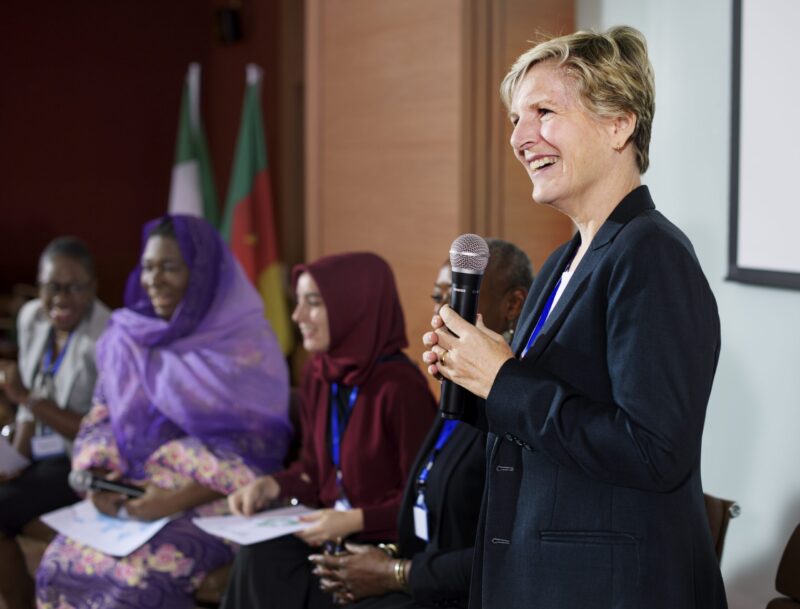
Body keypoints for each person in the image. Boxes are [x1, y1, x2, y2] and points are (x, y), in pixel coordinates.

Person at [423, 27, 726, 609]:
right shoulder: (563, 262)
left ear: (619, 125)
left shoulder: (652, 254)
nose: (520, 138)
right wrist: (473, 376)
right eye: (516, 119)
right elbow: (553, 420)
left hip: (613, 589)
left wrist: (503, 379)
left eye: (544, 112)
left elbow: (655, 450)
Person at [35, 215, 292, 609]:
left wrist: (173, 499)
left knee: (136, 582)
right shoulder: (129, 337)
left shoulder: (246, 344)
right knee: (56, 566)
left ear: (201, 273)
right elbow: (103, 416)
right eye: (148, 267)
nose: (153, 280)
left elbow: (258, 448)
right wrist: (100, 480)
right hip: (131, 494)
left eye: (169, 267)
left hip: (215, 495)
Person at [310, 240, 532, 609]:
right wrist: (385, 556)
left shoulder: (516, 407)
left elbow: (507, 554)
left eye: (458, 297)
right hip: (424, 579)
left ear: (513, 305)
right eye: (438, 297)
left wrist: (395, 572)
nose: (444, 313)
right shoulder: (454, 392)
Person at [221, 252, 437, 609]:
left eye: (313, 303)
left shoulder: (400, 388)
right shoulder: (319, 374)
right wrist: (271, 485)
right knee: (259, 558)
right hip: (331, 537)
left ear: (353, 306)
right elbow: (314, 470)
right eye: (298, 302)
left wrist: (355, 520)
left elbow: (425, 499)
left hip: (383, 547)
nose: (297, 316)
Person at [0, 237, 110, 609]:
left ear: (93, 288)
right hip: (40, 455)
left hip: (83, 463)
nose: (61, 298)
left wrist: (27, 399)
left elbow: (98, 431)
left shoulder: (107, 337)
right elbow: (29, 400)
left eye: (74, 287)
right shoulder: (32, 317)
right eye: (52, 287)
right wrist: (14, 460)